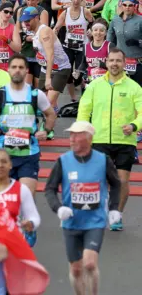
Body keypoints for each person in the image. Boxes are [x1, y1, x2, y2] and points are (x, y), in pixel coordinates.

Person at [45, 121, 122, 295]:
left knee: (89, 263)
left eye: (76, 135)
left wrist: (114, 208)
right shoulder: (63, 161)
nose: (71, 139)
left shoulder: (103, 160)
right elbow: (49, 188)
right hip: (71, 222)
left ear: (88, 137)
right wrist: (58, 208)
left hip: (95, 220)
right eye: (70, 135)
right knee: (76, 269)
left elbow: (116, 184)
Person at [77, 47, 142, 231]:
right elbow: (84, 109)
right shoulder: (95, 85)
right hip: (99, 139)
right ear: (106, 62)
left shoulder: (134, 87)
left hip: (125, 140)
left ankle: (117, 215)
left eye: (118, 61)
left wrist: (134, 126)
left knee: (122, 181)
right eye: (111, 60)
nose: (114, 64)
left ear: (124, 63)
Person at [0, 54, 57, 197]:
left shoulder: (36, 94)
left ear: (27, 70)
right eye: (14, 67)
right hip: (4, 154)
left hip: (29, 153)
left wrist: (46, 130)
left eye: (21, 67)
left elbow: (51, 114)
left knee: (27, 195)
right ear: (8, 70)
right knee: (5, 197)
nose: (17, 70)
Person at [21, 6, 71, 125]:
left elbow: (50, 55)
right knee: (41, 101)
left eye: (28, 20)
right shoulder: (34, 32)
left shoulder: (44, 31)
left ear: (37, 18)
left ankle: (47, 129)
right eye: (24, 20)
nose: (26, 23)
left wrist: (48, 78)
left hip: (60, 69)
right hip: (45, 68)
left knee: (47, 103)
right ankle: (53, 112)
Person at [0, 147, 41, 247]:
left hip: (13, 246)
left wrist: (31, 223)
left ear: (10, 164)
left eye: (4, 162)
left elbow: (34, 216)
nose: (0, 165)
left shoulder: (21, 189)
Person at [53, 0, 93, 101]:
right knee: (68, 72)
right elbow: (56, 27)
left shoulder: (86, 12)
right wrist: (53, 36)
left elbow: (93, 23)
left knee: (81, 73)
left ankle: (84, 98)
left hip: (82, 46)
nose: (76, 1)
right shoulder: (65, 12)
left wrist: (91, 31)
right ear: (71, 0)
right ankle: (73, 99)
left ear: (81, 0)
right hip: (68, 46)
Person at [107, 0, 142, 86]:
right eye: (125, 5)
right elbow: (110, 35)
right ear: (121, 5)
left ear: (135, 6)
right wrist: (109, 49)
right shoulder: (115, 19)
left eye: (130, 5)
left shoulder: (140, 20)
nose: (127, 8)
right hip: (120, 62)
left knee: (138, 89)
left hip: (137, 62)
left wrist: (138, 42)